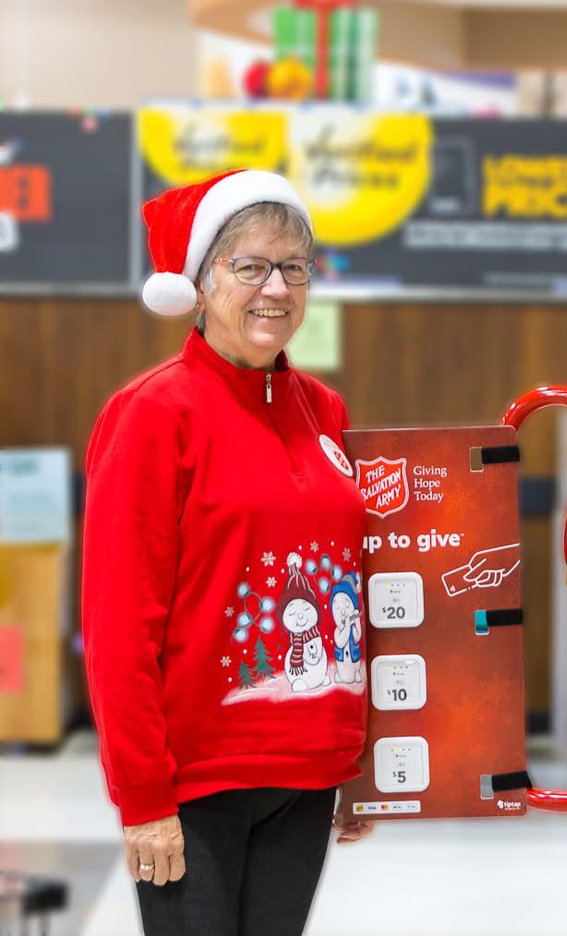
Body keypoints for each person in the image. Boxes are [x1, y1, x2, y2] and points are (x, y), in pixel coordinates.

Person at [82, 169, 372, 935]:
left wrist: (357, 760)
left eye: (294, 267)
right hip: (196, 783)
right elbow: (118, 626)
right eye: (249, 266)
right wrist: (143, 798)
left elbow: (352, 588)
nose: (275, 287)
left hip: (307, 776)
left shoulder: (324, 409)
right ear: (201, 284)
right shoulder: (152, 413)